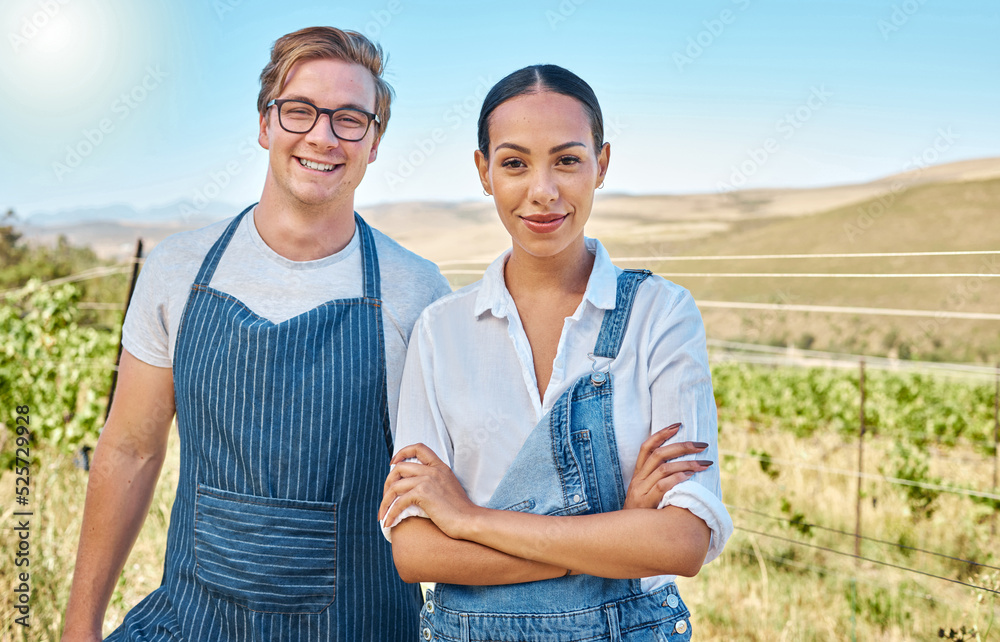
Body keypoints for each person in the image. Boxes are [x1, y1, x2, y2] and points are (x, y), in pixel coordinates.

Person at [61, 27, 450, 641]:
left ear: (374, 142)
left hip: (360, 627)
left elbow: (451, 486)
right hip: (191, 625)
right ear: (265, 124)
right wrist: (79, 628)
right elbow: (130, 450)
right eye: (300, 110)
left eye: (351, 119)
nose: (322, 135)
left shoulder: (416, 292)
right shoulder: (177, 270)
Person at [379, 64, 733, 641]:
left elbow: (680, 542)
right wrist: (614, 535)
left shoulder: (660, 315)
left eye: (567, 160)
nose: (542, 190)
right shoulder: (440, 331)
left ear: (603, 163)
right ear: (483, 171)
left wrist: (470, 520)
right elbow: (417, 553)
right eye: (514, 162)